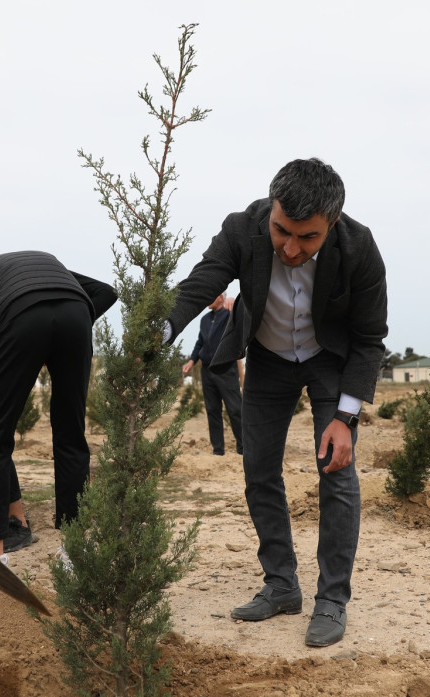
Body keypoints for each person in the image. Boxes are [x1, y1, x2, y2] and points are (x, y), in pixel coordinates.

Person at [166, 158, 388, 648]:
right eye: (281, 231)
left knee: (336, 470)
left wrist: (345, 418)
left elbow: (370, 338)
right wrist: (159, 330)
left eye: (306, 238)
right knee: (258, 469)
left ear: (331, 224)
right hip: (266, 357)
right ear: (272, 211)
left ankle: (332, 599)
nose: (289, 248)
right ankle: (281, 584)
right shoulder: (242, 228)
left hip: (329, 359)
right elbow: (202, 283)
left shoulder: (360, 248)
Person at [0, 252, 117, 586]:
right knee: (71, 438)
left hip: (19, 318)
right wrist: (57, 340)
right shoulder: (35, 265)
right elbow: (106, 292)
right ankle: (74, 553)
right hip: (76, 314)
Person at [181, 293, 244, 456]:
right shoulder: (204, 320)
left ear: (220, 297)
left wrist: (234, 302)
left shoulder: (229, 314)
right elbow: (200, 342)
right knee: (212, 409)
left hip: (226, 368)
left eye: (211, 296)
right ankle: (218, 450)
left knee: (235, 409)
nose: (207, 299)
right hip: (207, 370)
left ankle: (244, 447)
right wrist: (191, 361)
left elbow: (243, 313)